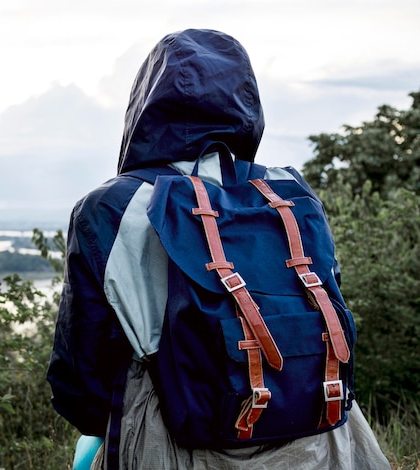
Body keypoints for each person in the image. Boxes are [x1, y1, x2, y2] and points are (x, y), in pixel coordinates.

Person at [47, 29, 390, 469]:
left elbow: (80, 371)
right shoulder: (288, 193)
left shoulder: (112, 207)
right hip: (321, 441)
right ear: (246, 101)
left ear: (144, 107)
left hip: (175, 444)